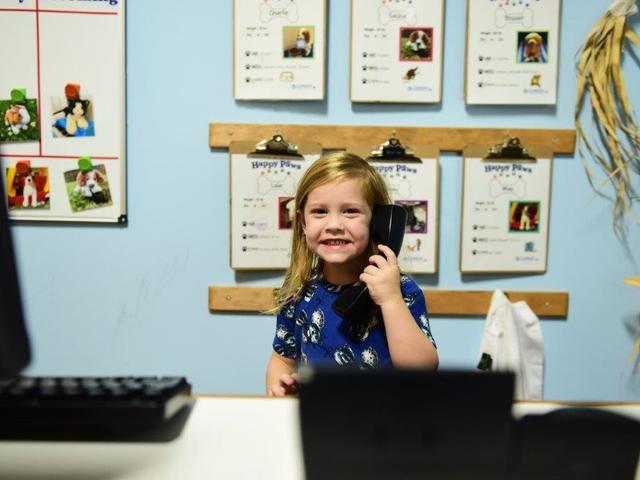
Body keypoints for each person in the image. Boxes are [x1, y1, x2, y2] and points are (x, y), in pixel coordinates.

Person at [266, 152, 438, 396]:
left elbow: (422, 372)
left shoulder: (401, 290)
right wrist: (281, 392)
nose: (334, 224)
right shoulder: (296, 292)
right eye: (319, 211)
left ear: (377, 221)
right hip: (324, 422)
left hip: (386, 425)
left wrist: (390, 300)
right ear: (302, 223)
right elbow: (281, 359)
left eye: (350, 211)